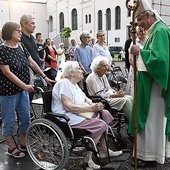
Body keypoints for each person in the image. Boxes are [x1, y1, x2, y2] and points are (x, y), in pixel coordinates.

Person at [51, 61, 122, 169]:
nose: (82, 71)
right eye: (79, 69)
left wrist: (94, 105)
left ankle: (103, 150)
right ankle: (88, 159)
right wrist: (91, 108)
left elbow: (86, 99)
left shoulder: (74, 85)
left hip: (79, 113)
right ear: (71, 73)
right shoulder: (64, 83)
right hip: (68, 118)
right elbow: (68, 106)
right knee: (100, 124)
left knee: (104, 114)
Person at [0, 21, 53, 158]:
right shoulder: (2, 50)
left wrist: (44, 77)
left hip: (22, 90)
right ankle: (11, 148)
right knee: (9, 120)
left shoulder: (21, 46)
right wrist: (24, 86)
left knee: (26, 118)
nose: (20, 32)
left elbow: (32, 63)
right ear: (9, 32)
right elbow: (7, 72)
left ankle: (23, 144)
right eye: (17, 30)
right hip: (8, 93)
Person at [128, 0, 170, 167]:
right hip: (151, 85)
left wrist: (140, 52)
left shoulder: (160, 31)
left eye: (139, 20)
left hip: (156, 89)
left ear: (147, 15)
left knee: (153, 121)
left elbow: (160, 61)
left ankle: (151, 157)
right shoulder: (154, 31)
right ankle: (146, 155)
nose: (139, 24)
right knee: (149, 120)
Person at [126, 26, 147, 97]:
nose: (143, 32)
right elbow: (131, 60)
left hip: (146, 69)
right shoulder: (134, 43)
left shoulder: (148, 41)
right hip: (137, 68)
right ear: (137, 33)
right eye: (141, 31)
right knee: (136, 90)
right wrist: (138, 69)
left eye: (144, 30)